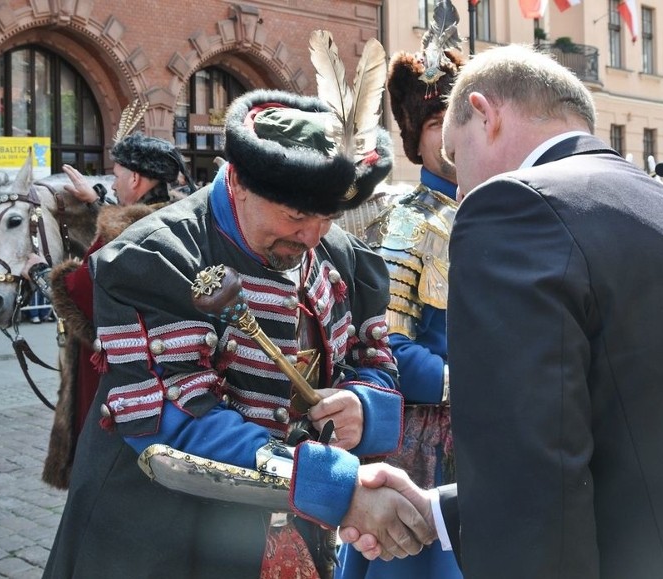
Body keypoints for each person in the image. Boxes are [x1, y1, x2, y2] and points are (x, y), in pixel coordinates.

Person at [40, 87, 433, 579]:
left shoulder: (345, 255)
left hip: (297, 531)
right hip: (164, 535)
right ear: (240, 180)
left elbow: (373, 359)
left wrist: (361, 405)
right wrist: (336, 487)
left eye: (327, 217)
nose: (313, 237)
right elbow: (179, 421)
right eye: (295, 216)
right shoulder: (152, 257)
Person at [340, 44, 663, 579]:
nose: (458, 184)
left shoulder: (515, 206)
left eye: (458, 154)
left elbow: (535, 471)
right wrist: (438, 511)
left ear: (485, 114)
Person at [337, 18, 464, 579]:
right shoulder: (407, 225)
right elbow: (385, 346)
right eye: (436, 123)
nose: (451, 137)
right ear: (416, 136)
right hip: (426, 443)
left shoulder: (494, 211)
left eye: (458, 120)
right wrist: (462, 383)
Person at [31, 129, 196, 491]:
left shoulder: (123, 234)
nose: (113, 183)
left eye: (117, 175)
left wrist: (41, 271)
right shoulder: (183, 219)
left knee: (109, 478)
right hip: (174, 378)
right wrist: (96, 201)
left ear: (135, 178)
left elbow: (83, 296)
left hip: (123, 381)